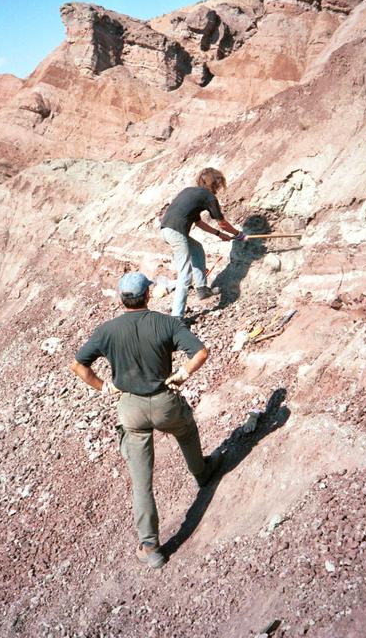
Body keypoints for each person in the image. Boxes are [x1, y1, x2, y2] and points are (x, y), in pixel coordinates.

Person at [70, 271, 222, 570]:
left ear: (121, 299)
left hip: (131, 408)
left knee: (142, 483)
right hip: (165, 401)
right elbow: (201, 352)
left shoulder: (106, 331)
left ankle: (151, 547)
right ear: (148, 295)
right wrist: (181, 374)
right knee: (186, 431)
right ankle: (202, 473)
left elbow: (78, 366)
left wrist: (104, 386)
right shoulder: (166, 323)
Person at [160, 167, 246, 318]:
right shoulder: (209, 197)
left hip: (166, 230)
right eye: (219, 184)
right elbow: (222, 223)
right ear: (216, 183)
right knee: (185, 274)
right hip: (177, 232)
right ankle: (177, 317)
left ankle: (202, 289)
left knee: (197, 248)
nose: (219, 188)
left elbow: (198, 223)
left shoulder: (189, 192)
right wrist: (238, 234)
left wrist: (219, 235)